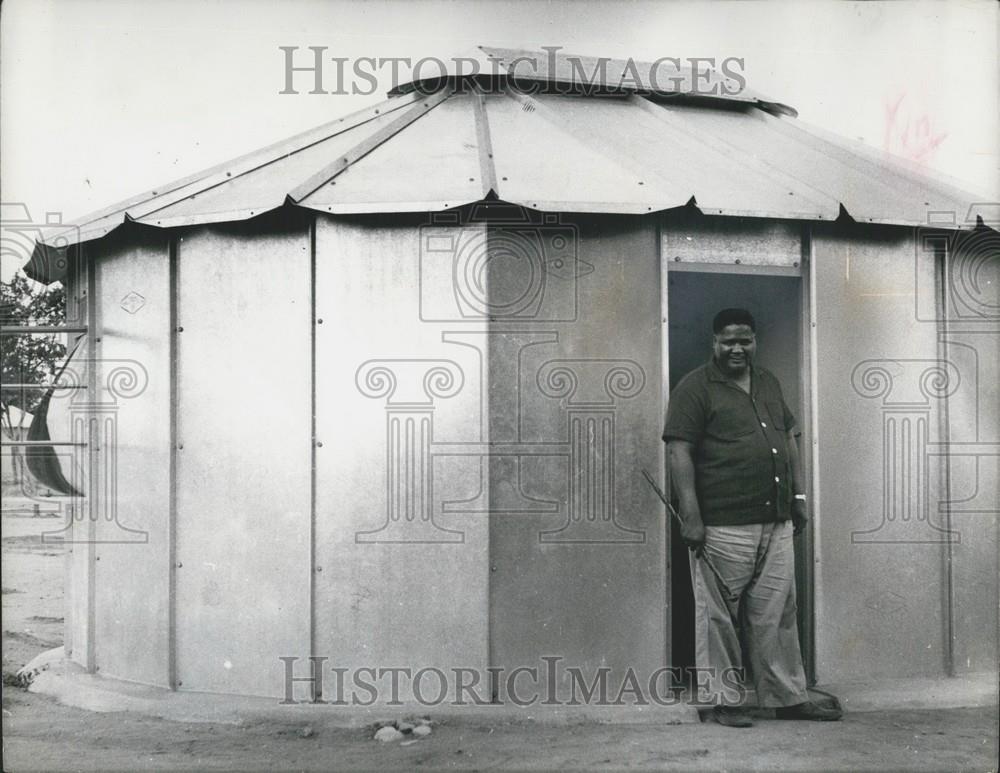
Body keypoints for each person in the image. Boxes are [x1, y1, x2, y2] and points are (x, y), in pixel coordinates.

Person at [662, 308, 841, 727]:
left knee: (778, 613)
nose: (737, 348)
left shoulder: (768, 382)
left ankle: (787, 698)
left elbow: (789, 439)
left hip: (775, 522)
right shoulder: (695, 387)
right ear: (714, 342)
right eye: (728, 341)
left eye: (745, 340)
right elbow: (678, 451)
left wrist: (797, 495)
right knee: (718, 616)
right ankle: (722, 702)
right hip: (722, 525)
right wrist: (691, 516)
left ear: (754, 341)